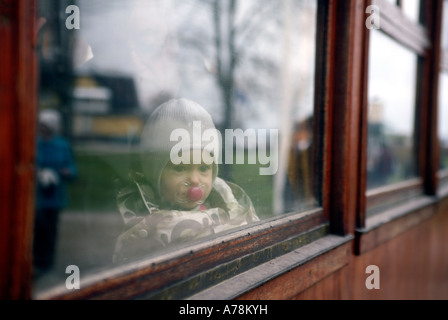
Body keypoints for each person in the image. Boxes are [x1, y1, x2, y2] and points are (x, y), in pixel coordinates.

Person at [113, 98, 259, 264]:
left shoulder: (229, 207)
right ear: (154, 174)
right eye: (180, 168)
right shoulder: (142, 220)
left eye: (204, 168)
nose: (195, 180)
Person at [33, 109, 77, 276]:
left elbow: (72, 168)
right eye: (41, 125)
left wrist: (67, 172)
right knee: (36, 228)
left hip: (54, 196)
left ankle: (46, 261)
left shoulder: (62, 145)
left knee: (50, 229)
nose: (42, 128)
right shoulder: (34, 143)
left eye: (45, 126)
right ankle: (34, 259)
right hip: (37, 196)